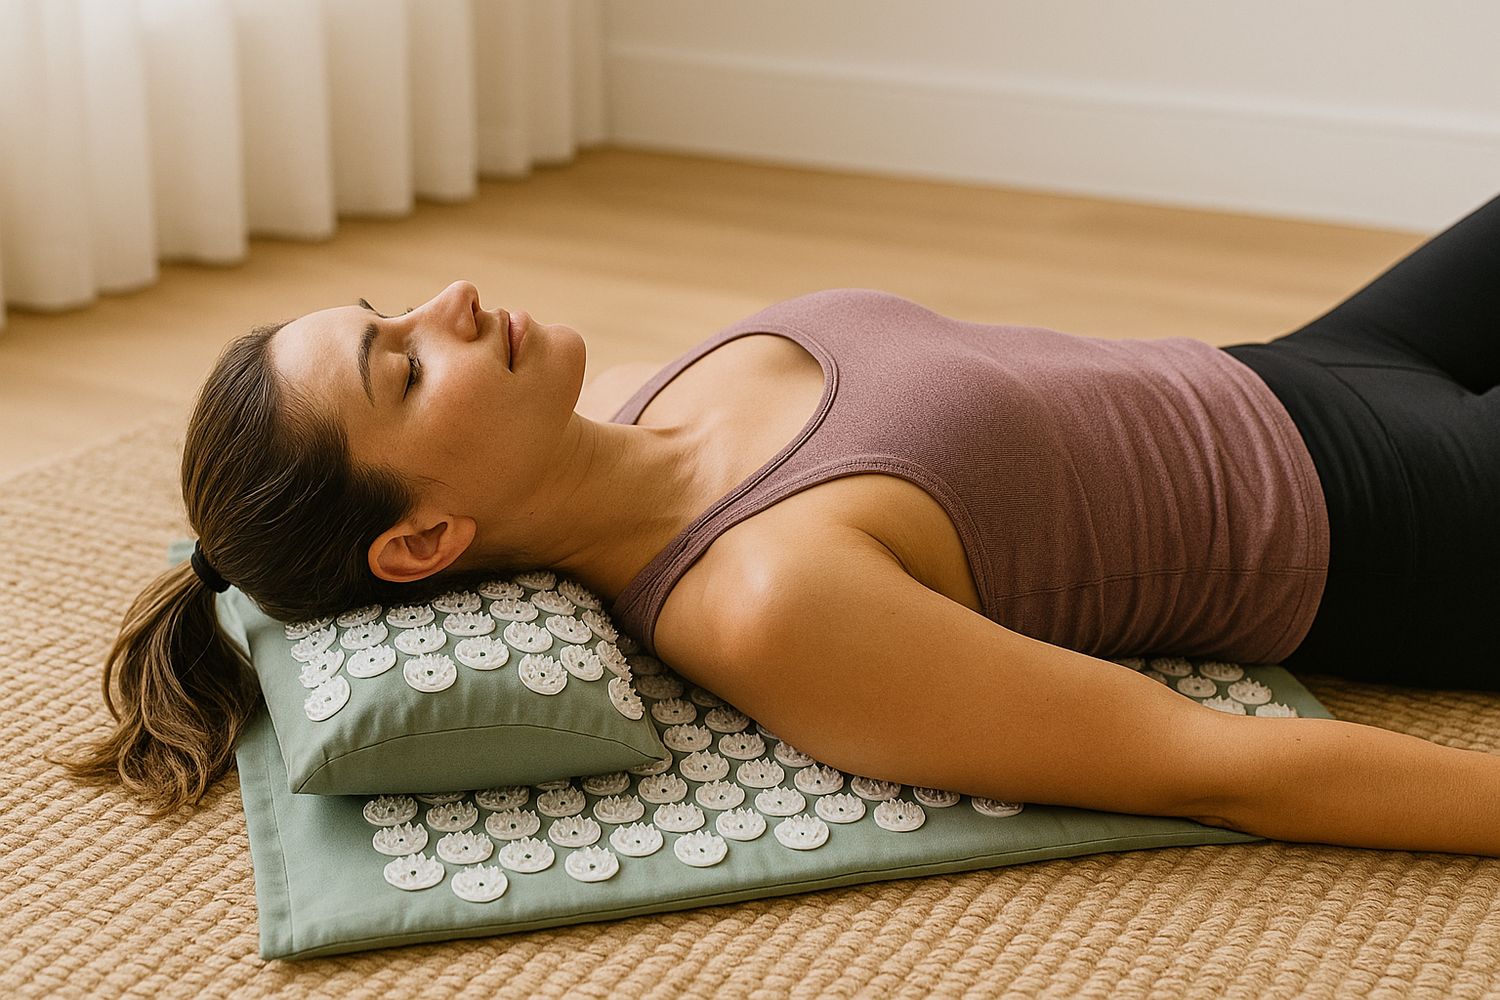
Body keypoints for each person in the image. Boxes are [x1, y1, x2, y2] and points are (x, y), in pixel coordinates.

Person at [65, 194, 1500, 857]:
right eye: (401, 367)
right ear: (428, 541)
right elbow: (1219, 767)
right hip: (1417, 525)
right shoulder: (767, 604)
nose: (442, 307)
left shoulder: (644, 397)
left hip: (1293, 365)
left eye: (385, 313)